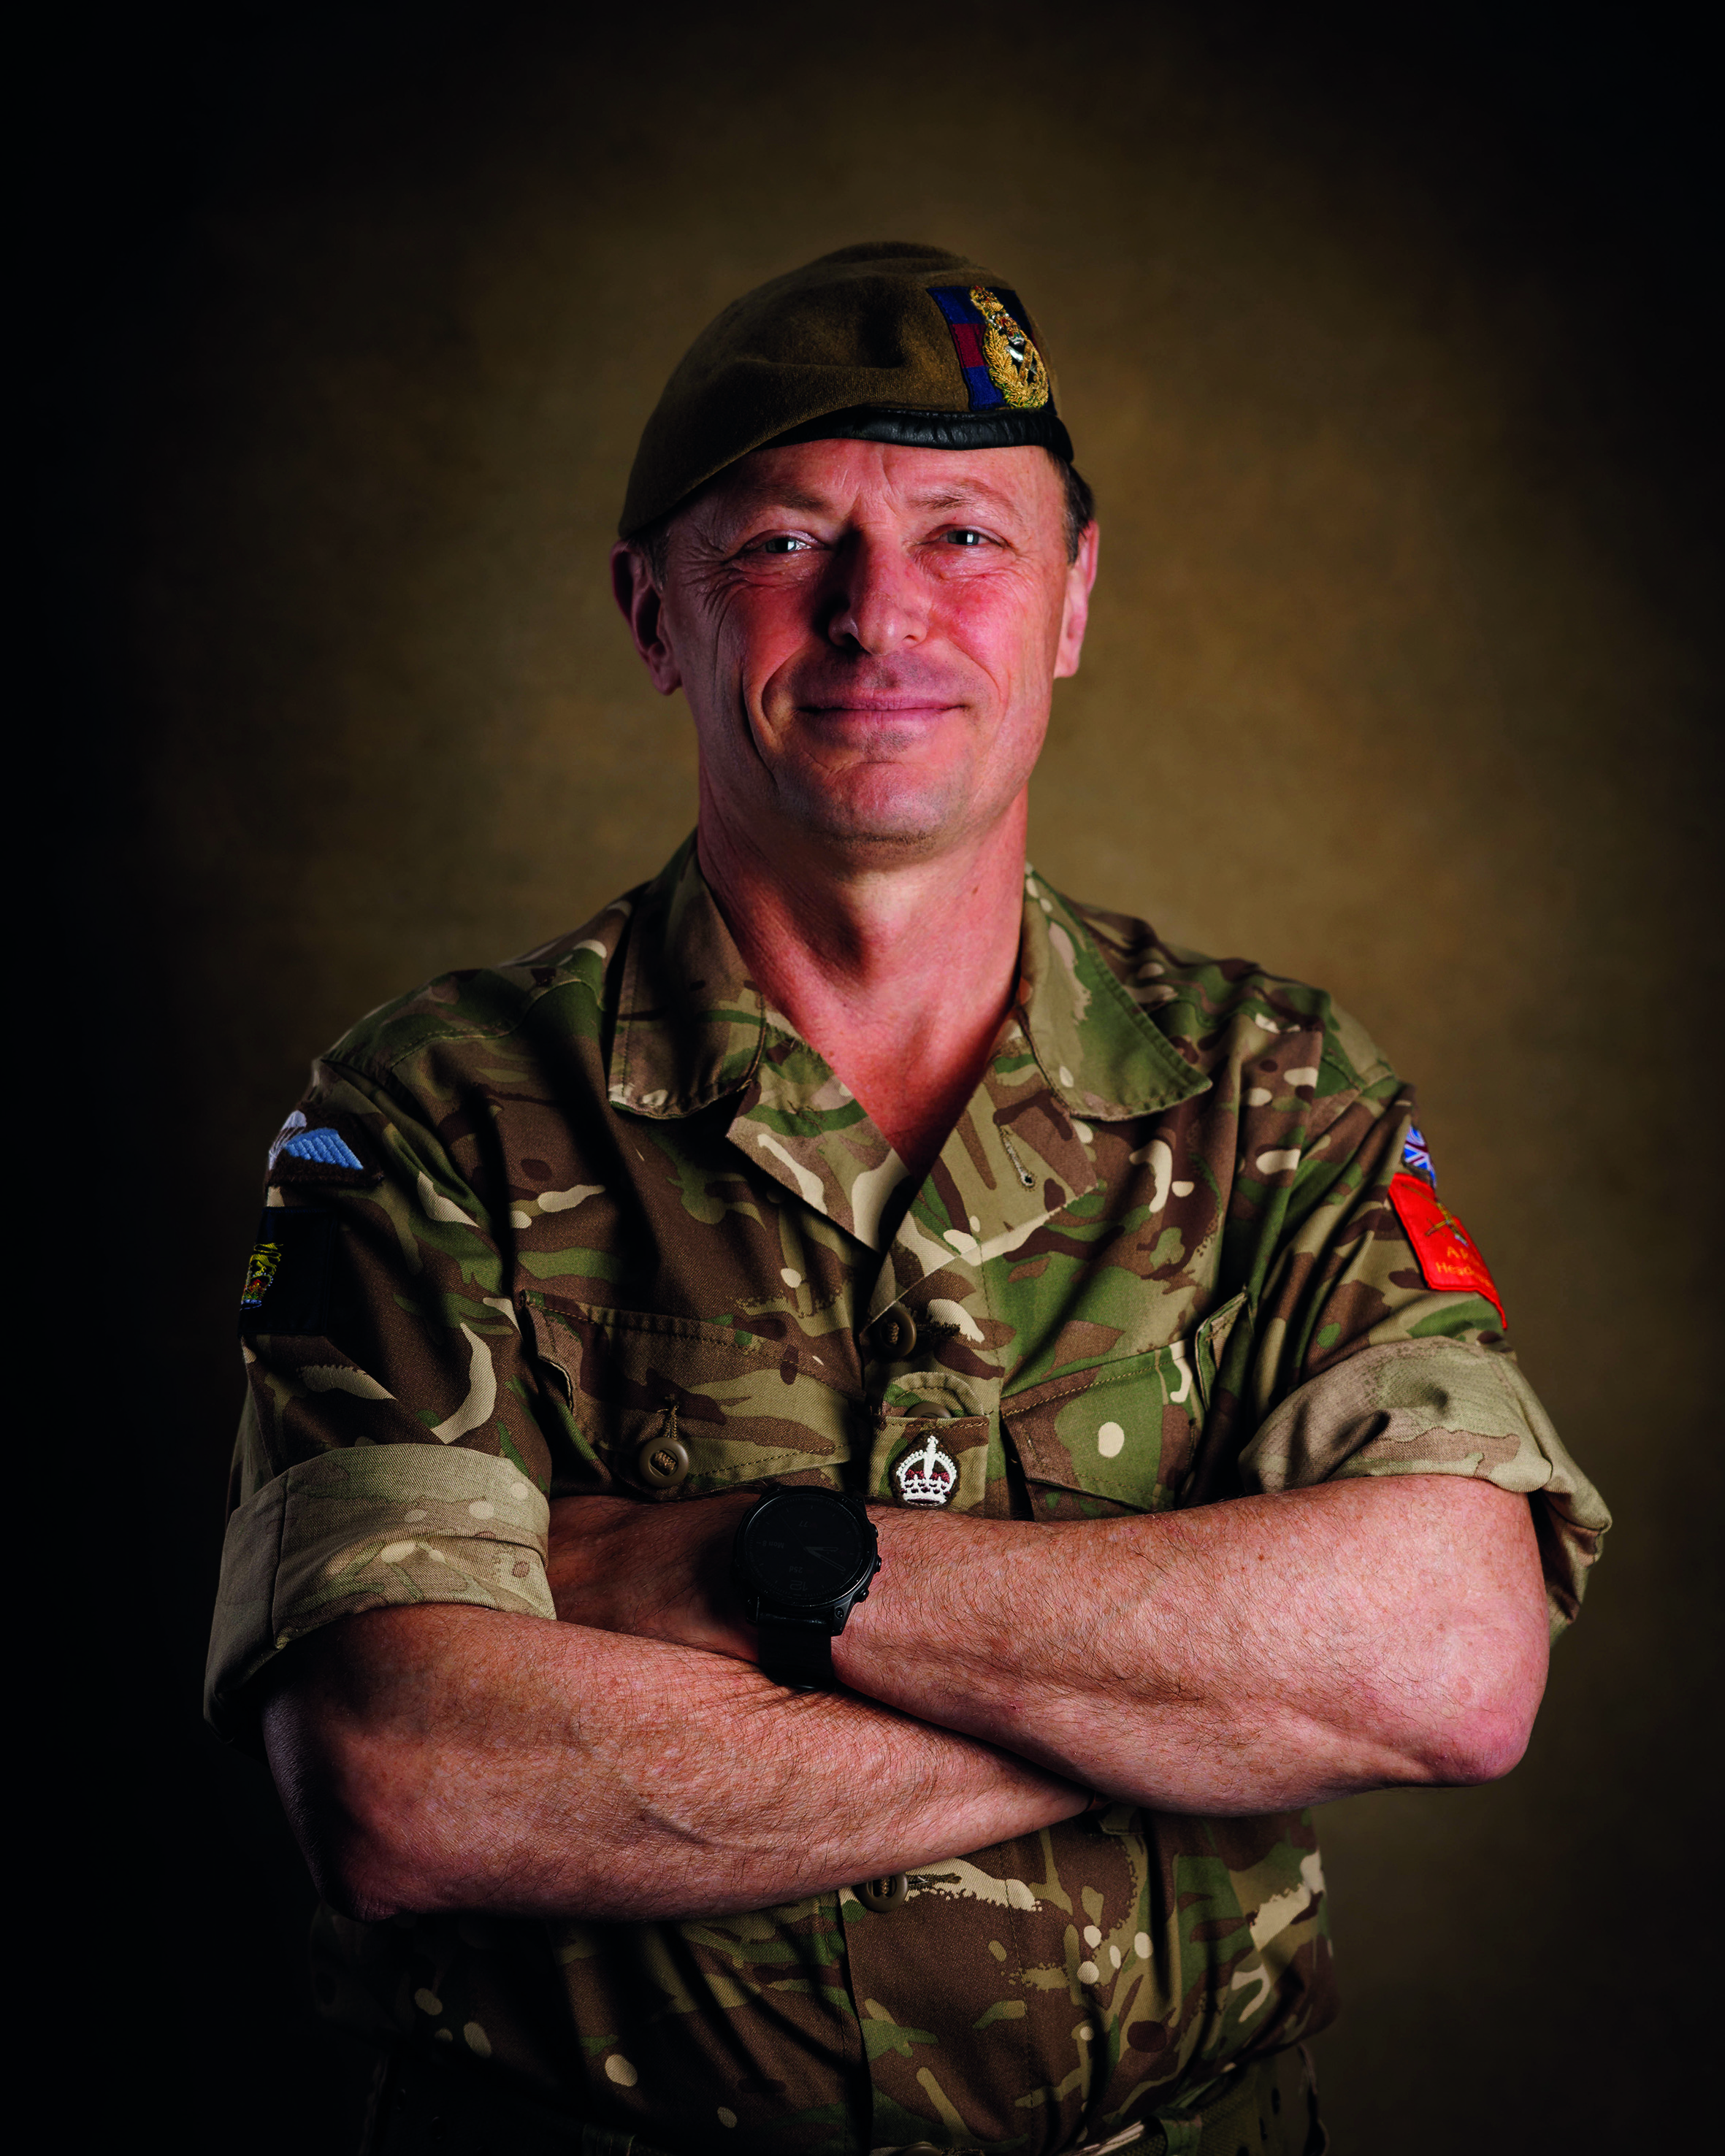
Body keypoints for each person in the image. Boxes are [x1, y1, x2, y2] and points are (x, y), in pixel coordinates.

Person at [206, 243, 1610, 2156]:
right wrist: (1181, 1711)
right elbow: (405, 1780)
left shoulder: (1273, 1094)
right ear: (652, 613)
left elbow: (1449, 1663)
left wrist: (753, 1568)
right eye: (788, 543)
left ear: (1072, 602)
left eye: (965, 535)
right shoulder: (436, 1115)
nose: (882, 614)